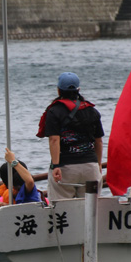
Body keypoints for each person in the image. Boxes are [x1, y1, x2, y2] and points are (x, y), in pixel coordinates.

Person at [37, 72, 104, 201]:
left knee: (61, 208)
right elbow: (99, 141)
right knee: (90, 208)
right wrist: (98, 164)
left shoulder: (54, 111)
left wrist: (56, 165)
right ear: (78, 90)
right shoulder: (92, 110)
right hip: (90, 166)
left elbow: (54, 139)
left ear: (58, 90)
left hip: (65, 167)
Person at [0, 148, 41, 214]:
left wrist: (13, 161)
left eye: (20, 189)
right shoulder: (6, 196)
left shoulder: (31, 194)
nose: (16, 191)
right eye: (15, 188)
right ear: (12, 187)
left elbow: (30, 182)